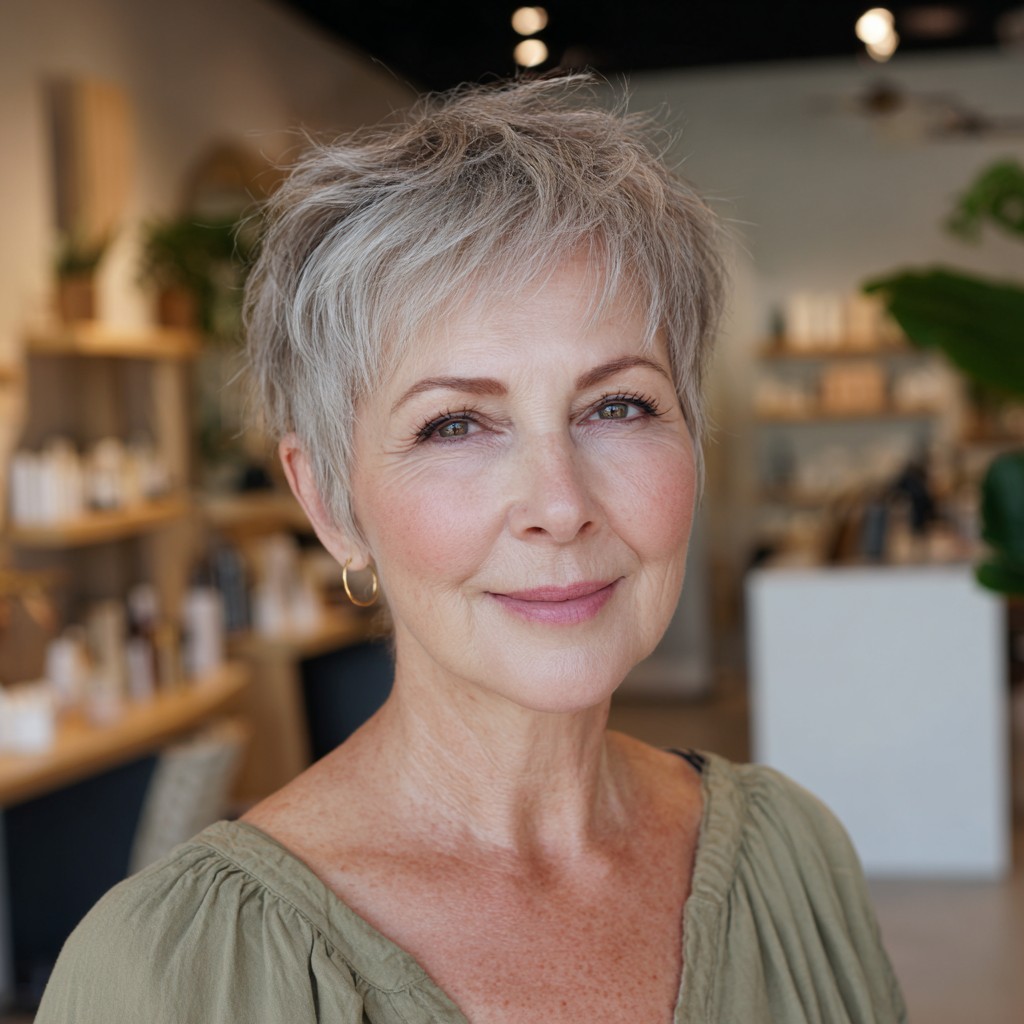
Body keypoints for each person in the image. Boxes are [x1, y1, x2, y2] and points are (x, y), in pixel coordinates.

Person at [37, 75, 906, 1024]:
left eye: (619, 406)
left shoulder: (796, 860)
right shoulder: (172, 976)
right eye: (456, 425)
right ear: (328, 501)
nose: (561, 505)